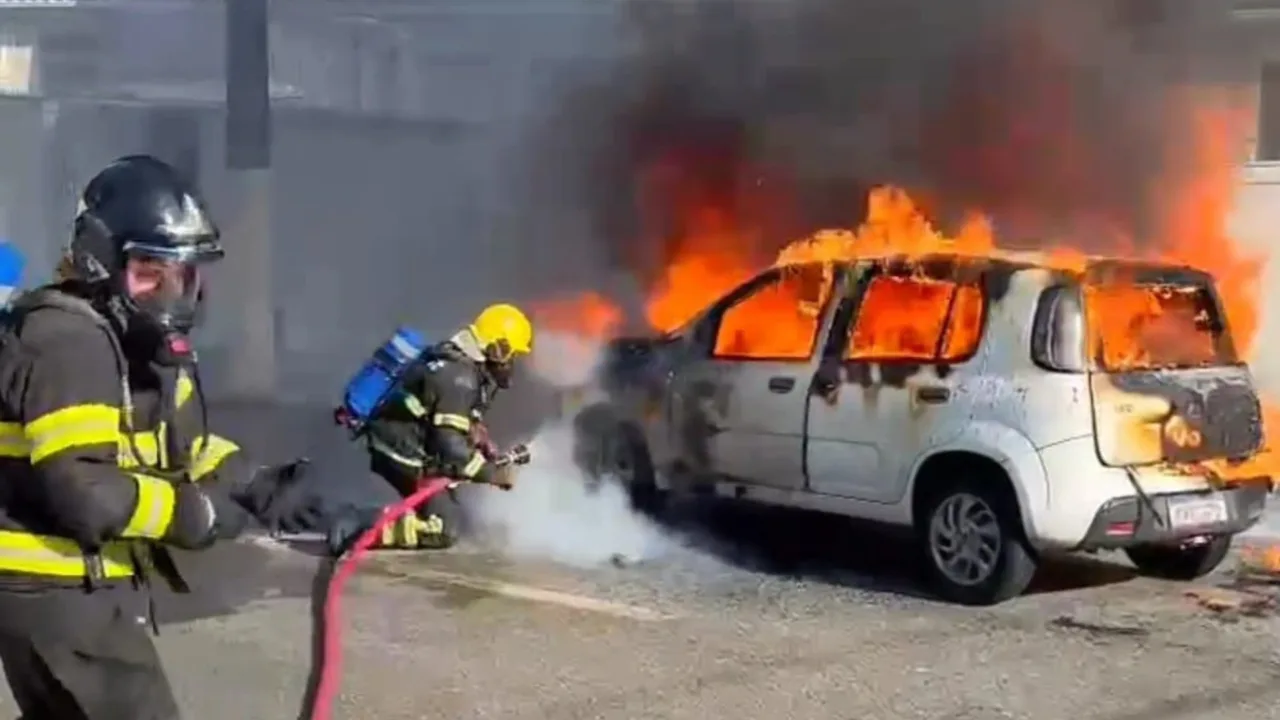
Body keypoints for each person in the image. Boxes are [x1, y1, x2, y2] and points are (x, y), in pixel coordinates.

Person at [0, 155, 325, 720]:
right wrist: (194, 516)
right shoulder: (68, 340)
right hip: (57, 591)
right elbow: (87, 492)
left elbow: (180, 448)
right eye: (149, 272)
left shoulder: (125, 342)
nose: (170, 293)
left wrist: (264, 487)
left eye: (183, 275)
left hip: (74, 592)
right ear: (99, 263)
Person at [327, 304, 535, 554]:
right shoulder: (460, 378)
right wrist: (492, 474)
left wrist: (476, 435)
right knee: (444, 529)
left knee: (466, 516)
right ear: (498, 349)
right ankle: (356, 525)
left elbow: (448, 418)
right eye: (512, 356)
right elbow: (451, 448)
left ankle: (402, 510)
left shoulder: (456, 361)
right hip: (402, 452)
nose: (512, 364)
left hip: (407, 441)